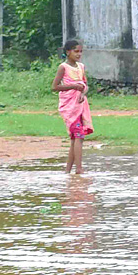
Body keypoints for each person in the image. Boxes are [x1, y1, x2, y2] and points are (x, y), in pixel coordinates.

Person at [52, 39, 92, 174]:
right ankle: (79, 169)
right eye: (76, 51)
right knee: (79, 136)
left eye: (81, 52)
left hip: (80, 103)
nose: (79, 54)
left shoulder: (81, 67)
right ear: (68, 52)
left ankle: (68, 171)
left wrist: (82, 92)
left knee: (76, 137)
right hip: (69, 106)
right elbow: (55, 87)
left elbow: (85, 84)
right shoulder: (63, 67)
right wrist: (74, 87)